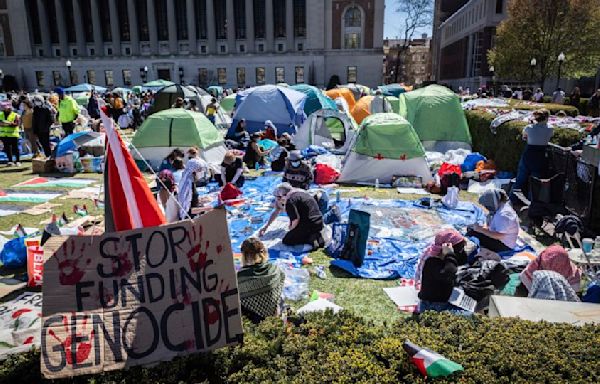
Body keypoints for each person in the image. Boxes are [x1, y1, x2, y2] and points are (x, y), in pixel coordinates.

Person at [416, 229, 470, 315]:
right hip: (433, 306)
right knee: (471, 314)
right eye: (460, 249)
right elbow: (449, 273)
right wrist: (449, 255)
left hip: (443, 301)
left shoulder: (448, 261)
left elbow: (463, 260)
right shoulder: (432, 263)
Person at [259, 183, 324, 249]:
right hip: (319, 222)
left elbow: (295, 219)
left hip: (309, 224)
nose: (279, 200)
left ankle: (310, 238)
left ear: (283, 195)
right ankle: (316, 235)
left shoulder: (290, 201)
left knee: (287, 240)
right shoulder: (299, 193)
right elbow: (277, 210)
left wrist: (292, 230)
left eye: (279, 198)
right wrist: (266, 227)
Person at [237, 237, 285, 323]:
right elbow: (281, 283)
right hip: (276, 312)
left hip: (255, 320)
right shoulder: (274, 269)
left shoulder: (240, 277)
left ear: (244, 255)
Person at [510, 109, 553, 202]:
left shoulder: (529, 127)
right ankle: (532, 204)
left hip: (529, 153)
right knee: (535, 183)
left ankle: (512, 199)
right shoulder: (550, 128)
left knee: (520, 179)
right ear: (546, 118)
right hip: (541, 155)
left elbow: (524, 137)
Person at [0, 102, 21, 166]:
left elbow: (16, 124)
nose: (5, 109)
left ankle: (18, 161)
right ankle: (10, 161)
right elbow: (0, 123)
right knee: (7, 149)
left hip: (13, 134)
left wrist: (7, 123)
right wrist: (8, 123)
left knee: (15, 148)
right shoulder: (1, 114)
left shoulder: (15, 115)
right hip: (4, 135)